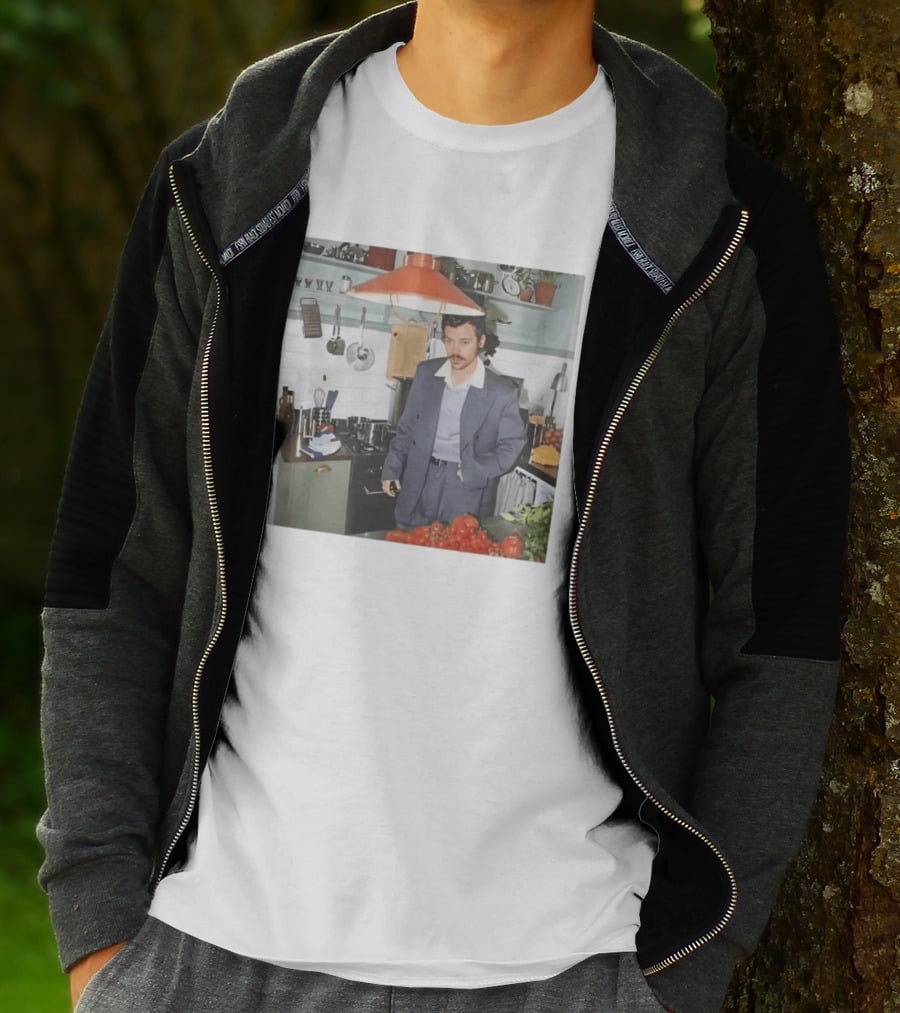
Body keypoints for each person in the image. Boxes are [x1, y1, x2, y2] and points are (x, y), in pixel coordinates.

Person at [38, 2, 849, 1012]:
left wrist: (684, 967)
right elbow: (113, 570)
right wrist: (100, 926)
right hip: (205, 955)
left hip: (570, 968)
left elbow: (784, 625)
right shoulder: (226, 180)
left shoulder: (720, 225)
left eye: (468, 340)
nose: (459, 347)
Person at [381, 314, 526, 528]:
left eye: (464, 342)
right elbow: (408, 426)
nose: (455, 350)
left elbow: (512, 444)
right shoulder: (426, 372)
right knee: (408, 544)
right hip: (420, 476)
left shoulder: (501, 392)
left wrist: (477, 469)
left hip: (464, 486)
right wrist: (392, 466)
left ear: (481, 342)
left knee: (455, 550)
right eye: (449, 340)